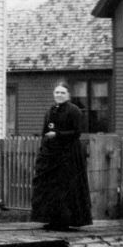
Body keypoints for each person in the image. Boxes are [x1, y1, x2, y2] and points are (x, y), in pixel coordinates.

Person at [31, 82, 93, 231]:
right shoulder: (50, 111)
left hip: (69, 155)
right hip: (51, 154)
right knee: (50, 187)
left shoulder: (74, 111)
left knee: (66, 187)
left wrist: (58, 135)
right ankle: (52, 219)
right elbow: (45, 132)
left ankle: (66, 221)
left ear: (68, 95)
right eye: (57, 92)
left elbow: (76, 132)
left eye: (62, 93)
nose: (59, 95)